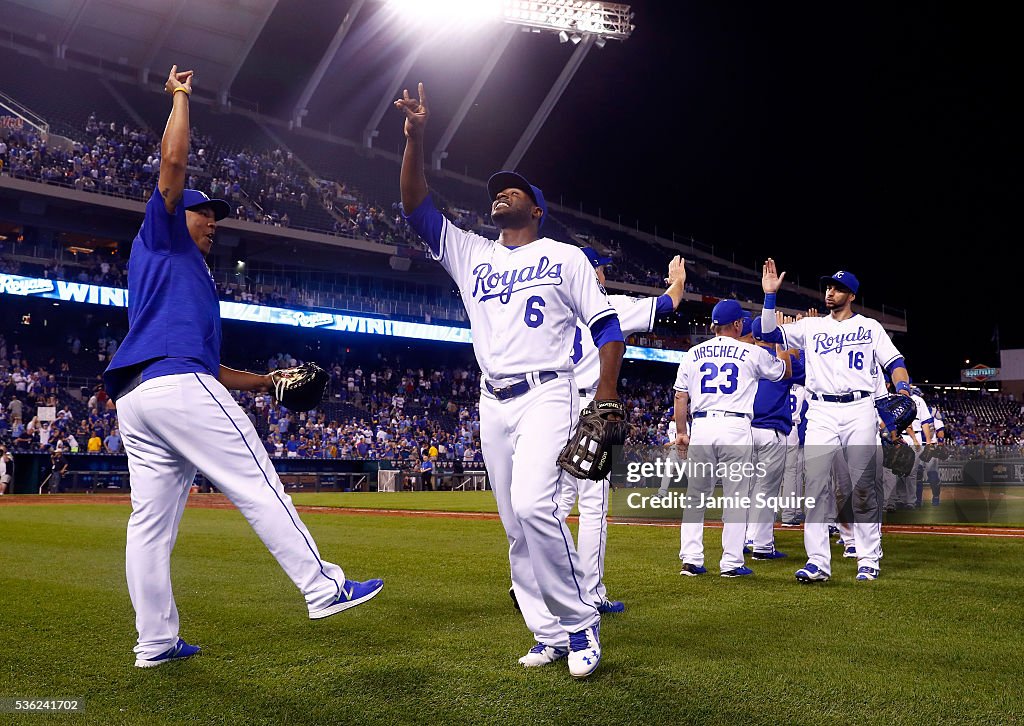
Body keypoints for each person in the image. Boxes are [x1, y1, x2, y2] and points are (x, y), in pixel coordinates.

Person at [102, 66, 383, 669]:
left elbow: (206, 363)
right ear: (181, 216)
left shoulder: (188, 277)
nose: (213, 222)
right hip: (174, 386)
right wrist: (180, 97)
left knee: (147, 530)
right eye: (207, 215)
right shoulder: (163, 236)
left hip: (142, 397)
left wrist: (266, 382)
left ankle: (154, 643)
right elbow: (173, 171)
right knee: (258, 482)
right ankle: (323, 587)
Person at [396, 82, 624, 679]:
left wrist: (604, 400)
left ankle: (580, 625)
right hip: (491, 401)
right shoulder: (473, 253)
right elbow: (416, 206)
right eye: (495, 192)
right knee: (515, 527)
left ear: (537, 208)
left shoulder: (566, 257)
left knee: (535, 505)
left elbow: (608, 330)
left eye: (512, 191)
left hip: (548, 392)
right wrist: (417, 137)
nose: (499, 197)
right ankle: (546, 632)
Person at [758, 262, 914, 582]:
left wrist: (903, 388)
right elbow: (767, 331)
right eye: (828, 287)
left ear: (851, 295)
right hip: (821, 411)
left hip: (859, 409)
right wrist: (770, 297)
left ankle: (868, 558)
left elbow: (895, 362)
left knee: (863, 488)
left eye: (838, 288)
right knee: (815, 486)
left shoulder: (870, 327)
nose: (830, 291)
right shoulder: (811, 327)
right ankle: (818, 562)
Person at [556, 248, 686, 614]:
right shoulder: (605, 302)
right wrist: (677, 280)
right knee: (593, 507)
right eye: (599, 268)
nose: (602, 275)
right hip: (591, 408)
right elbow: (667, 305)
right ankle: (591, 595)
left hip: (552, 405)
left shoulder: (553, 304)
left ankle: (534, 584)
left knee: (554, 504)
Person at [673, 299, 787, 577]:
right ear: (737, 324)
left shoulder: (692, 353)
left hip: (701, 426)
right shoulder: (750, 352)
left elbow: (680, 396)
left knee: (696, 496)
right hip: (735, 427)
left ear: (713, 325)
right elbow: (784, 371)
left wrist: (681, 432)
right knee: (736, 498)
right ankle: (732, 563)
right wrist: (781, 339)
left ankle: (691, 558)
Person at [742, 313, 804, 559]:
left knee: (746, 489)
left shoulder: (744, 358)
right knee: (767, 492)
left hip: (745, 431)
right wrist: (788, 339)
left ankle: (745, 538)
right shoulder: (783, 361)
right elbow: (801, 370)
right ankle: (763, 545)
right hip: (771, 433)